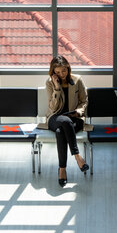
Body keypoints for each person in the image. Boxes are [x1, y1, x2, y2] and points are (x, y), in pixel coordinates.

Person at [38, 55, 91, 187]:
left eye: (64, 71)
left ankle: (62, 169)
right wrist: (56, 87)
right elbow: (52, 107)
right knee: (64, 122)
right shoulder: (49, 83)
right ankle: (78, 157)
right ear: (53, 72)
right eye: (57, 72)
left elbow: (84, 101)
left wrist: (79, 111)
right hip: (55, 117)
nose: (61, 74)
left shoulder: (77, 80)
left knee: (60, 131)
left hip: (75, 118)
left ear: (68, 68)